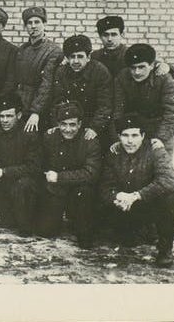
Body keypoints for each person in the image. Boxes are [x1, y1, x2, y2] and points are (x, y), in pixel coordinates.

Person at [100, 115, 174, 267]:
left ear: (143, 136)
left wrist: (137, 196)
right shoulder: (114, 153)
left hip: (146, 204)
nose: (130, 141)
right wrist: (118, 196)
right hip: (125, 207)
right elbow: (105, 186)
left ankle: (165, 249)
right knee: (128, 241)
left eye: (135, 135)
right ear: (119, 136)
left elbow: (170, 181)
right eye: (125, 135)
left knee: (171, 199)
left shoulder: (156, 151)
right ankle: (145, 232)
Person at [36, 101, 101, 248]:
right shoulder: (50, 137)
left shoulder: (89, 141)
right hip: (56, 190)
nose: (68, 129)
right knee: (45, 231)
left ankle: (83, 231)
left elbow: (91, 173)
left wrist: (60, 177)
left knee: (85, 194)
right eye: (63, 124)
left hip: (78, 190)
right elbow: (41, 164)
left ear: (79, 124)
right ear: (58, 124)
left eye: (72, 124)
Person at [0, 93, 40, 237]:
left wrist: (4, 171)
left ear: (18, 115)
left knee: (22, 186)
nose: (5, 120)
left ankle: (24, 226)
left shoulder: (29, 133)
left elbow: (33, 167)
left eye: (9, 116)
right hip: (3, 181)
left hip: (24, 183)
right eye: (2, 116)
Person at [113, 43, 174, 156]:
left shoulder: (163, 79)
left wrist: (160, 138)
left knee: (160, 165)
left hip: (160, 130)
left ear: (152, 65)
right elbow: (118, 110)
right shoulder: (122, 78)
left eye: (141, 67)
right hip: (133, 131)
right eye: (133, 68)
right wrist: (119, 136)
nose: (137, 72)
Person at [50, 34, 112, 145]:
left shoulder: (100, 72)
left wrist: (94, 128)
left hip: (92, 122)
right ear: (67, 58)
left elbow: (105, 105)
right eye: (72, 57)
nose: (76, 61)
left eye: (80, 56)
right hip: (69, 122)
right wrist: (58, 125)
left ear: (88, 57)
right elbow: (57, 102)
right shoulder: (61, 72)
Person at [14, 6, 63, 133]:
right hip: (21, 107)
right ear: (25, 27)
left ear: (44, 24)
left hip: (40, 110)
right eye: (29, 23)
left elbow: (46, 84)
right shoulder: (22, 50)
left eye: (37, 22)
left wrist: (36, 112)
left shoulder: (53, 51)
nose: (33, 26)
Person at [91, 15, 174, 79]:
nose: (109, 39)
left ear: (122, 35)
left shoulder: (132, 53)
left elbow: (169, 70)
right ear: (100, 36)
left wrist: (165, 66)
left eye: (114, 34)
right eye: (105, 35)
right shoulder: (94, 56)